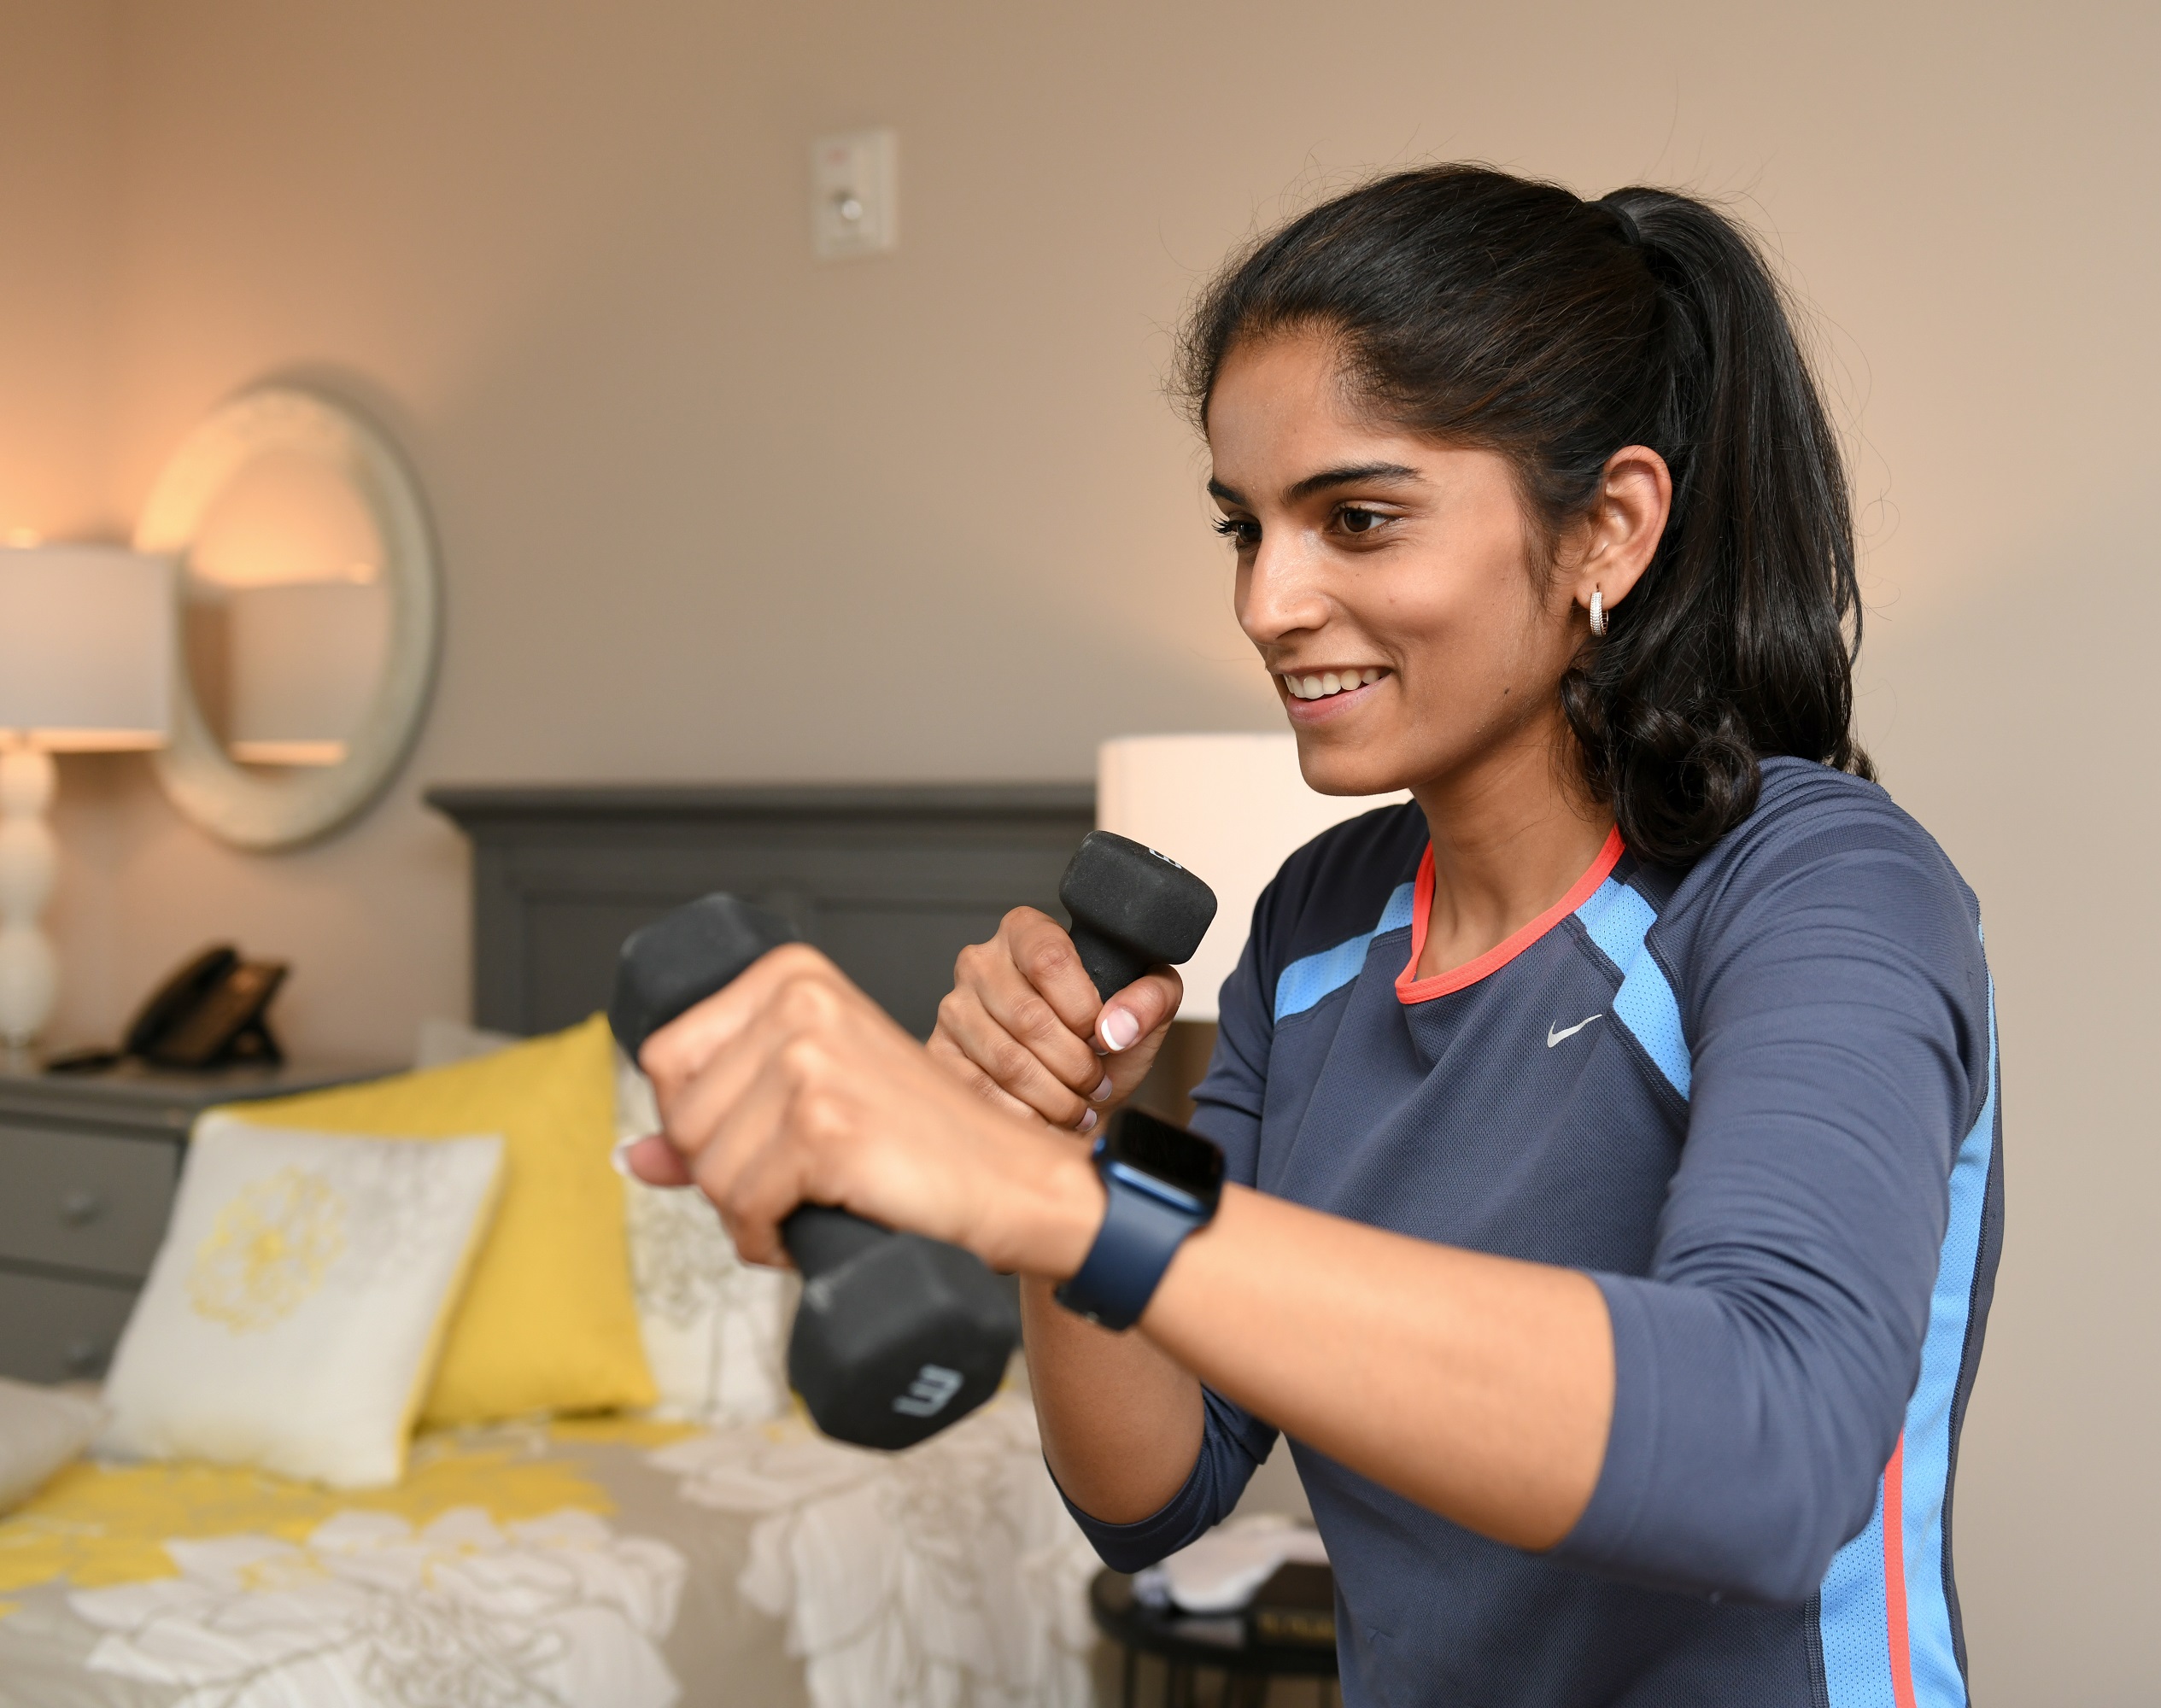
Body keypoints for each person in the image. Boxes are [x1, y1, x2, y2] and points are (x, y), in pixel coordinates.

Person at [628, 164, 2001, 1707]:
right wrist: (1075, 1153)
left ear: (1609, 527)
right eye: (1245, 528)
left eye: (1357, 518)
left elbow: (1770, 1449)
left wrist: (1046, 1203)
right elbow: (1158, 1489)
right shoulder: (1319, 923)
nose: (1270, 602)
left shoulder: (1820, 886)